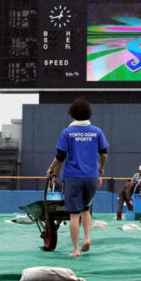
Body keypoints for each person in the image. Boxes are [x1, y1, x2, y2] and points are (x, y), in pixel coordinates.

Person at [45, 97, 109, 257]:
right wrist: (101, 169)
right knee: (86, 209)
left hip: (73, 177)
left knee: (74, 214)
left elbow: (60, 156)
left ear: (72, 114)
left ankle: (76, 249)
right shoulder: (97, 131)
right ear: (89, 113)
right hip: (92, 177)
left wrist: (51, 169)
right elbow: (104, 154)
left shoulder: (67, 133)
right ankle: (87, 238)